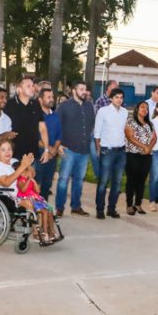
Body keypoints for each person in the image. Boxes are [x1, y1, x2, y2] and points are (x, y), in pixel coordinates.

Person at [55, 81, 95, 217]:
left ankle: (76, 206)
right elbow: (56, 125)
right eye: (81, 89)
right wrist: (58, 145)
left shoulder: (89, 106)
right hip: (69, 149)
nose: (85, 91)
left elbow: (91, 125)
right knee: (63, 179)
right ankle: (59, 207)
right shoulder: (64, 106)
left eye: (85, 89)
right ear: (73, 91)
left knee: (79, 180)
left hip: (84, 150)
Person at [93, 88, 128, 219]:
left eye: (121, 97)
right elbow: (97, 133)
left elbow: (125, 130)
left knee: (117, 182)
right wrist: (98, 149)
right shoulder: (103, 111)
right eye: (117, 97)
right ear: (111, 99)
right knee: (103, 181)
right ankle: (100, 209)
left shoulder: (124, 112)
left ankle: (111, 209)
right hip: (107, 150)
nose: (119, 100)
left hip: (121, 151)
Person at [4, 77, 50, 165]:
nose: (32, 88)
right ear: (20, 89)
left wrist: (46, 150)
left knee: (31, 178)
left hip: (32, 155)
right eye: (28, 86)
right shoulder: (9, 104)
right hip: (12, 155)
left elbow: (43, 129)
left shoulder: (36, 104)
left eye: (32, 86)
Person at [124, 101, 156, 215]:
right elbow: (130, 137)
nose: (145, 109)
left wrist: (149, 148)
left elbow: (154, 137)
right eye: (142, 107)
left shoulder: (149, 123)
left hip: (146, 156)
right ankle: (129, 205)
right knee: (131, 180)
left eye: (146, 108)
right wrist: (144, 147)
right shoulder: (130, 122)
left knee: (142, 181)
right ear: (137, 109)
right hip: (133, 155)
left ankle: (138, 204)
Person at [16, 164, 58, 245]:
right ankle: (45, 233)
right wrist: (28, 181)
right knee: (45, 212)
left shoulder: (32, 181)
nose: (32, 175)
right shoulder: (21, 181)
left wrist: (34, 182)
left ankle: (52, 232)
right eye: (30, 173)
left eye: (32, 174)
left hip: (36, 199)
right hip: (27, 200)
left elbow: (38, 191)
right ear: (24, 173)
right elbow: (23, 190)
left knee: (50, 210)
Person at [36, 88, 61, 199]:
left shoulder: (55, 116)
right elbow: (35, 137)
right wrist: (48, 149)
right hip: (39, 154)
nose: (52, 100)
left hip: (53, 155)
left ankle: (44, 209)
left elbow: (60, 135)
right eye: (48, 97)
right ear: (40, 99)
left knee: (47, 183)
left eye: (52, 97)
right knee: (37, 183)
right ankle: (35, 211)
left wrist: (54, 150)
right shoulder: (35, 115)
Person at [91, 80, 119, 178]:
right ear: (108, 88)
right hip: (101, 135)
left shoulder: (119, 102)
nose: (117, 89)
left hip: (114, 136)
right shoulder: (100, 101)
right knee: (96, 156)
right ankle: (100, 177)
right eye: (115, 87)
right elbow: (96, 120)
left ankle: (109, 180)